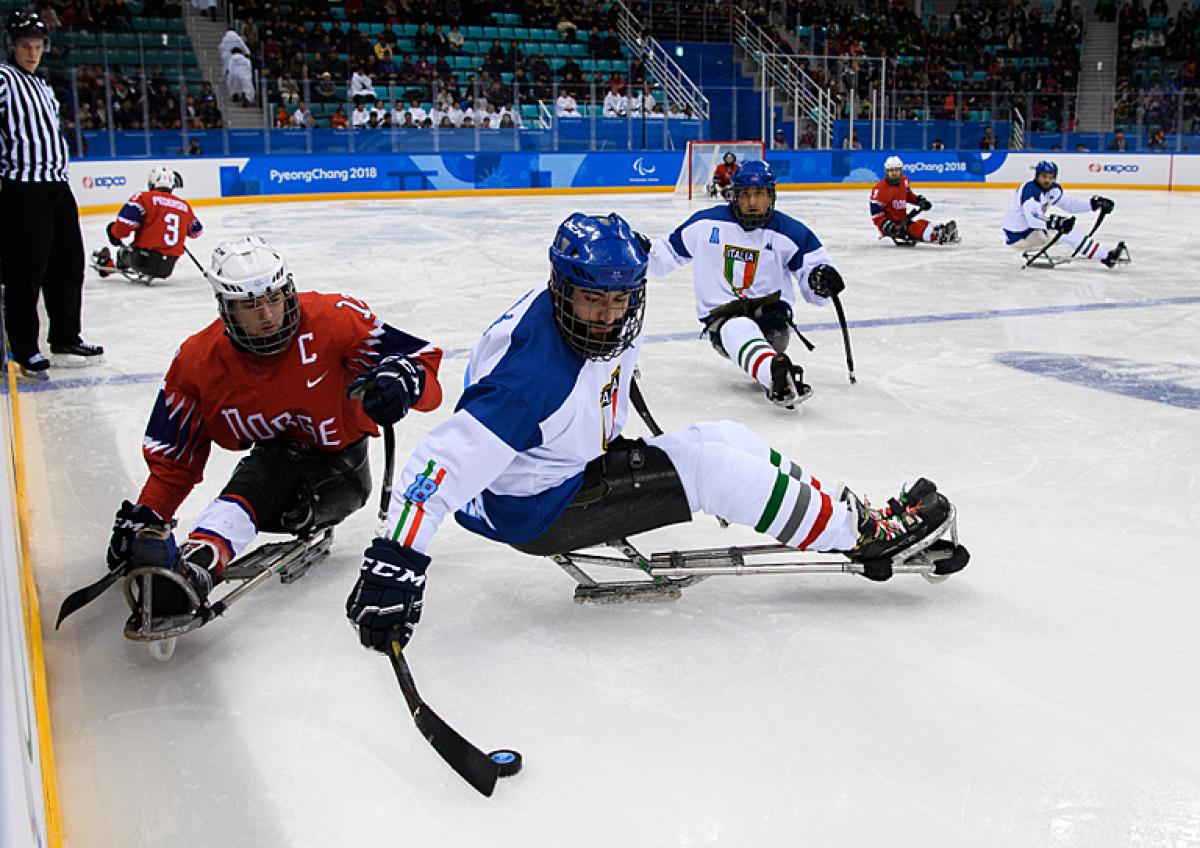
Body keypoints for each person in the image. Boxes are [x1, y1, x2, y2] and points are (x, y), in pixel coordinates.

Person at [344, 213, 958, 653]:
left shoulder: (598, 302)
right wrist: (398, 560)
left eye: (620, 299)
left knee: (724, 436)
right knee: (711, 471)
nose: (608, 316)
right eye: (591, 300)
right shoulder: (529, 378)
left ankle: (845, 516)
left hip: (567, 467)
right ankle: (862, 538)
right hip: (541, 508)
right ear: (561, 287)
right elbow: (441, 464)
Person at [105, 236, 444, 622]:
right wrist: (149, 513)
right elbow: (174, 461)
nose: (267, 314)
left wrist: (407, 382)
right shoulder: (197, 361)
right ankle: (197, 561)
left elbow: (427, 373)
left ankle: (199, 563)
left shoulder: (335, 318)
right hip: (275, 459)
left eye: (273, 298)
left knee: (262, 477)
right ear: (225, 308)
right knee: (262, 475)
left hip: (341, 470)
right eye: (250, 305)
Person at [644, 160, 843, 410]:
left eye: (759, 194)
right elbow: (664, 256)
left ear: (771, 195)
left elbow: (814, 278)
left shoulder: (792, 232)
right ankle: (776, 376)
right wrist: (636, 251)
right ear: (734, 196)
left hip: (770, 315)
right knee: (738, 326)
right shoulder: (705, 225)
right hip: (724, 316)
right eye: (745, 194)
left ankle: (772, 365)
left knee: (775, 334)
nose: (751, 202)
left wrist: (820, 280)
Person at [0, 11, 103, 380]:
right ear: (12, 46)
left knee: (67, 265)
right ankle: (25, 347)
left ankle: (64, 337)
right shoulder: (3, 79)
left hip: (57, 188)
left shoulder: (43, 87)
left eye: (37, 46)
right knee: (26, 271)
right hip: (22, 190)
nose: (32, 53)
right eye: (25, 46)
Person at [1002, 160, 1126, 267]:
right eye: (1044, 176)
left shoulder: (1052, 190)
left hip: (1029, 232)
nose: (1047, 180)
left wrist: (1093, 204)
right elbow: (1033, 218)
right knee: (1069, 233)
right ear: (1037, 175)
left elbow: (1070, 204)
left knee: (1068, 231)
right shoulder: (1030, 191)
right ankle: (1106, 257)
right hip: (1019, 236)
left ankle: (1104, 256)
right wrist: (1055, 222)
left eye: (1051, 177)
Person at [91, 166, 202, 281]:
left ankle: (108, 265)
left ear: (151, 182)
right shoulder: (184, 206)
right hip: (167, 266)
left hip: (143, 260)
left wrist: (113, 233)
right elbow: (197, 232)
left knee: (122, 252)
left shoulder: (143, 198)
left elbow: (123, 227)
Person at [870, 156, 958, 245]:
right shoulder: (879, 190)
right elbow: (876, 215)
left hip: (902, 220)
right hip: (891, 226)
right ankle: (938, 235)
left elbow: (908, 195)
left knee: (920, 222)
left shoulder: (904, 181)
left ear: (901, 170)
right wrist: (886, 225)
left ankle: (938, 229)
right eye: (891, 170)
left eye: (897, 170)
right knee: (914, 228)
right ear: (886, 171)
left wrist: (919, 200)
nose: (894, 173)